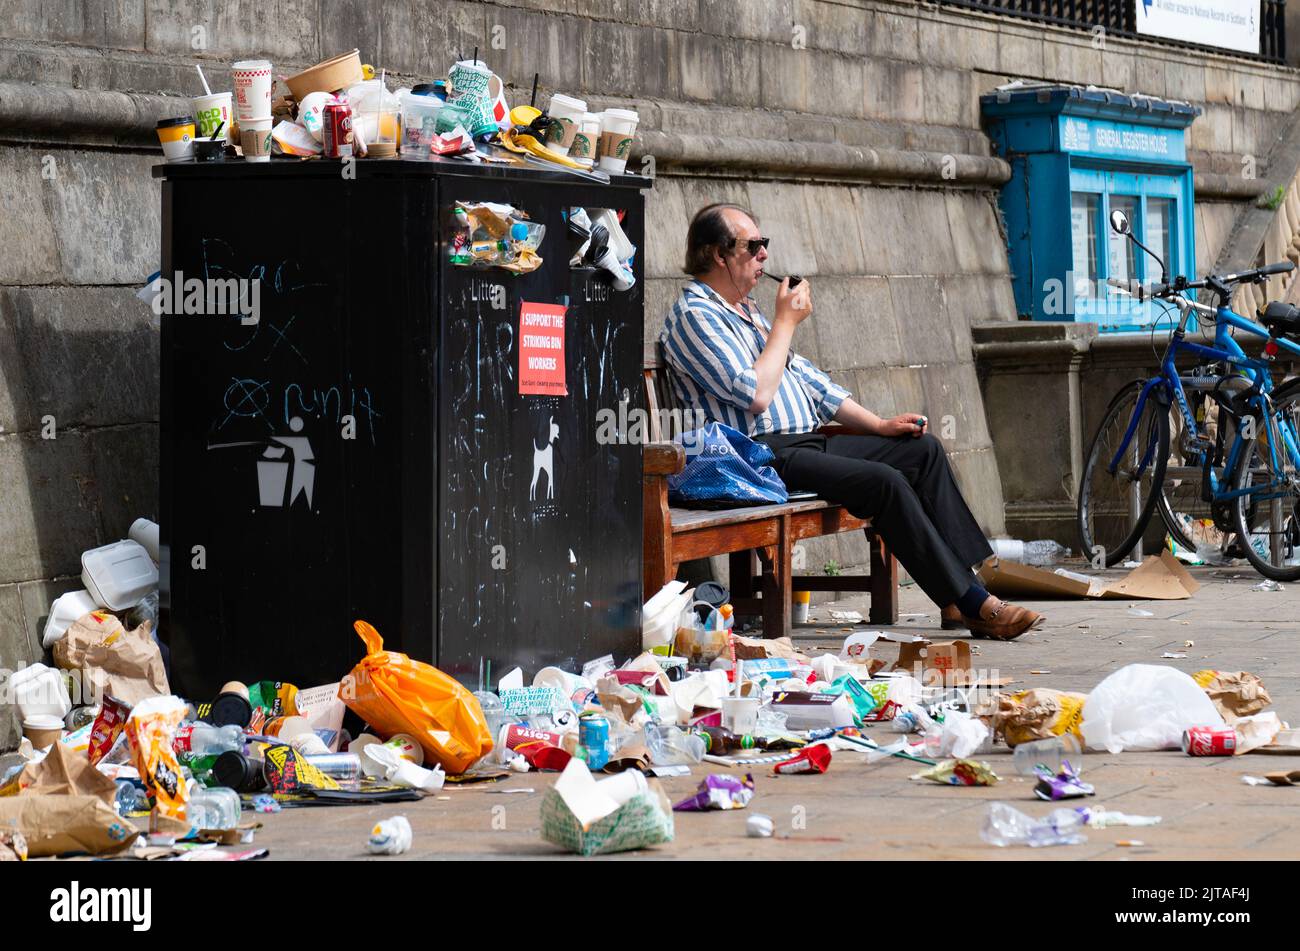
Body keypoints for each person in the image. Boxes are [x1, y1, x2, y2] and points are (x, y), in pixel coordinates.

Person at [660, 203, 1043, 639]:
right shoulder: (695, 316)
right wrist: (785, 323)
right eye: (753, 246)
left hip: (805, 442)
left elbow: (809, 380)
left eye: (764, 244)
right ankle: (974, 604)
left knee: (922, 451)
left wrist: (878, 425)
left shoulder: (747, 314)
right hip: (756, 458)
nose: (764, 254)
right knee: (884, 482)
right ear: (718, 255)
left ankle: (967, 585)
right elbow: (755, 394)